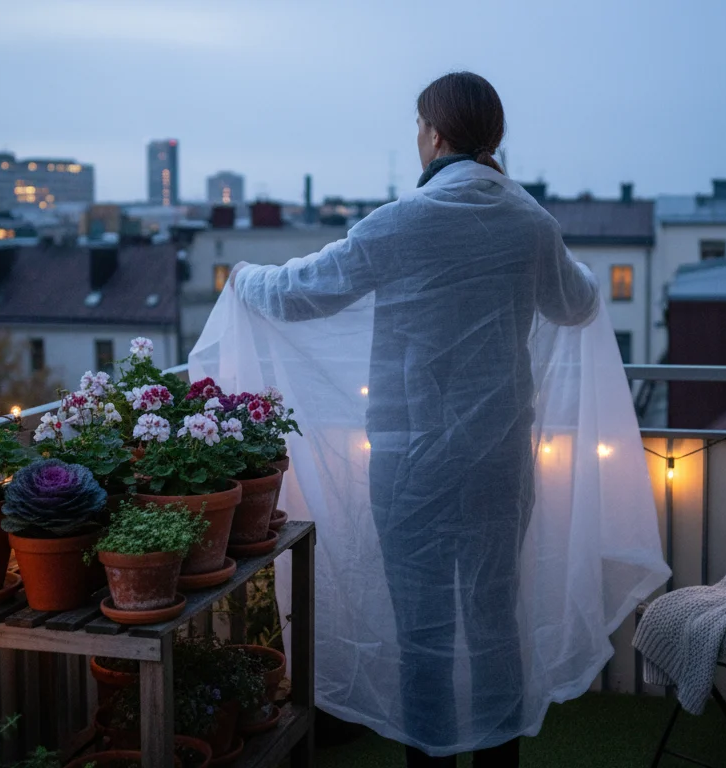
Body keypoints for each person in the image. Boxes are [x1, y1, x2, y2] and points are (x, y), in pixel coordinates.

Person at [227, 72, 600, 768]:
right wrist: (539, 242)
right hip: (498, 462)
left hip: (412, 463)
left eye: (419, 127)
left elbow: (302, 294)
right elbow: (577, 304)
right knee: (495, 624)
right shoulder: (530, 224)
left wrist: (241, 277)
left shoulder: (403, 220)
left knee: (421, 631)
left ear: (436, 133)